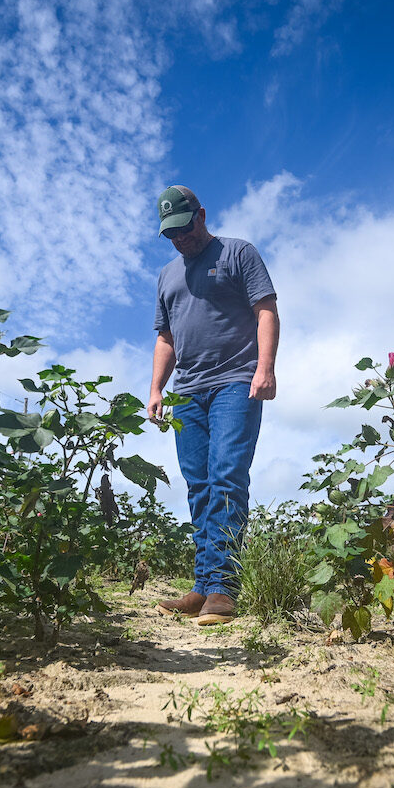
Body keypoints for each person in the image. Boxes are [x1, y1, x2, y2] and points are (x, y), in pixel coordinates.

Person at [146, 185, 279, 626]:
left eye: (184, 229)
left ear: (201, 215)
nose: (179, 240)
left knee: (226, 477)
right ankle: (202, 586)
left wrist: (265, 369)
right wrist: (156, 389)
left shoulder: (239, 253)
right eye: (171, 235)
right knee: (198, 485)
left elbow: (266, 309)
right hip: (187, 392)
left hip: (234, 383)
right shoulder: (167, 276)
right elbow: (165, 338)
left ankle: (224, 588)